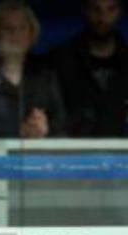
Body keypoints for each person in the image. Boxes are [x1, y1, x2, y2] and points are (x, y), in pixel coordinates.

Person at [0, 0, 65, 139]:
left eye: (21, 28)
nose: (15, 34)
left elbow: (61, 127)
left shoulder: (45, 75)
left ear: (31, 34)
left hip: (40, 152)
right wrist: (18, 134)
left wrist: (45, 131)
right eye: (7, 28)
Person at [49, 0, 128, 138]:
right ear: (84, 10)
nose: (102, 18)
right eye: (95, 9)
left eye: (111, 9)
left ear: (120, 12)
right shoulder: (58, 60)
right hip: (70, 149)